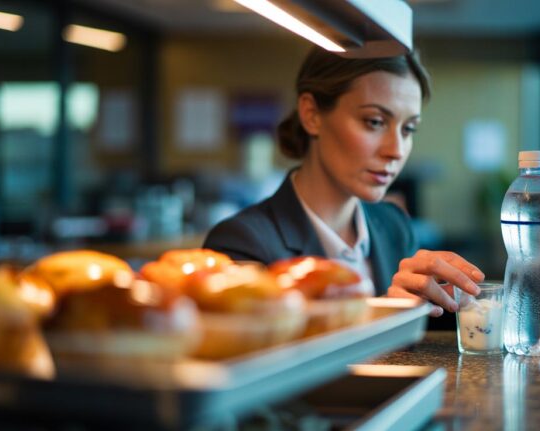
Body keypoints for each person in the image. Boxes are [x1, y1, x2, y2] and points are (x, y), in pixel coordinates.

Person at [203, 47, 484, 317]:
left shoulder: (394, 225)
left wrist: (458, 302)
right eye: (374, 121)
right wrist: (382, 314)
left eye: (408, 128)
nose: (396, 150)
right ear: (311, 115)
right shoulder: (241, 243)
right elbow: (253, 358)